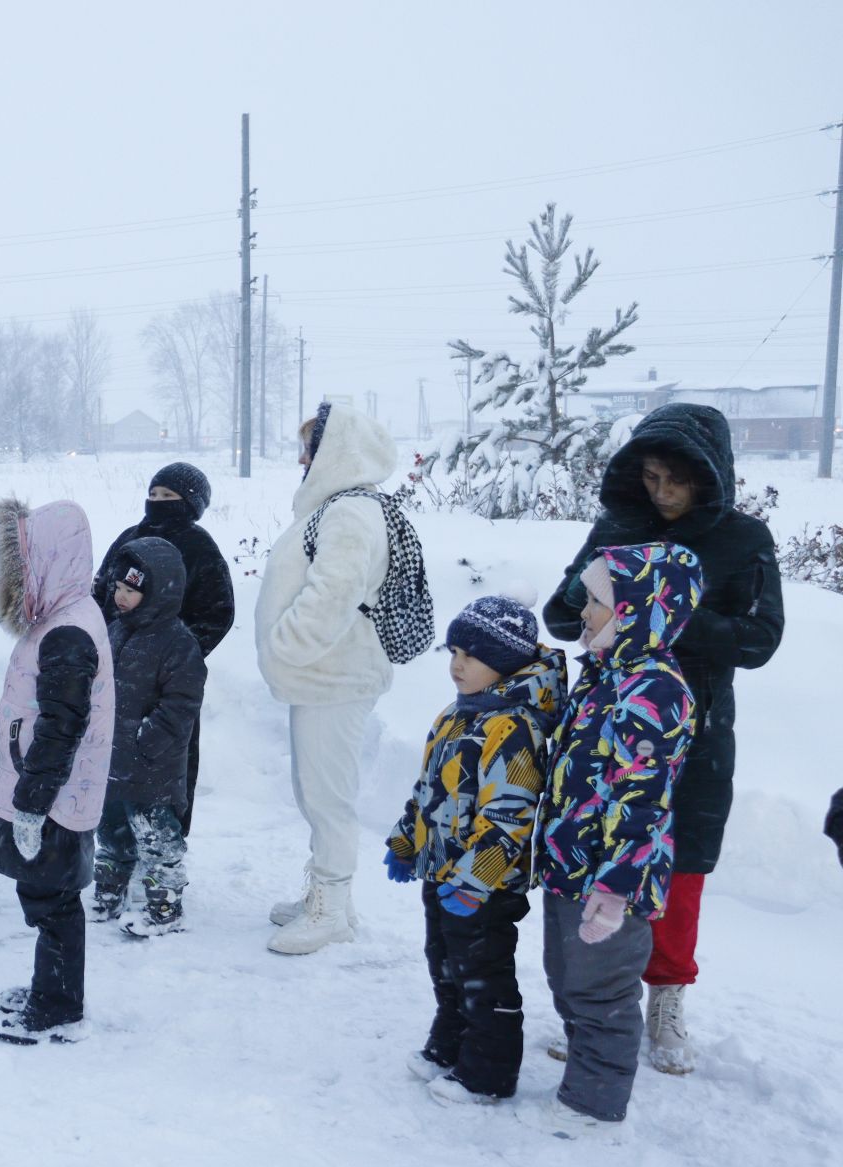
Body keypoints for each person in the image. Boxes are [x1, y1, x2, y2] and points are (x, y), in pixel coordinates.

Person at [542, 404, 784, 1076]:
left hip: (698, 725)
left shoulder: (743, 539)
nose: (662, 493)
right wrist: (584, 591)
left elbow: (761, 640)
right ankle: (598, 1001)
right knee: (600, 853)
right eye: (650, 477)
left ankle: (667, 995)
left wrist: (665, 621)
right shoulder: (617, 526)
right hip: (608, 724)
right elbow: (562, 616)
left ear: (711, 477)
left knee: (678, 865)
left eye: (676, 480)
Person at [533, 543, 702, 1137]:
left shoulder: (655, 691)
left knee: (603, 989)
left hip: (611, 878)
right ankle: (586, 1072)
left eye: (598, 603)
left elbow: (643, 804)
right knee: (567, 976)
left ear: (637, 611)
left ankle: (595, 1104)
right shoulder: (605, 675)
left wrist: (614, 886)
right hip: (570, 865)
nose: (584, 612)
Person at [387, 595, 566, 1106]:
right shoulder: (459, 713)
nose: (457, 665)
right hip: (443, 871)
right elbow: (429, 789)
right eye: (454, 652)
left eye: (472, 656)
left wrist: (473, 881)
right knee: (444, 963)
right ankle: (450, 1046)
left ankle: (489, 1073)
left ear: (505, 662)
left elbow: (509, 819)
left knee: (483, 977)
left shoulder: (513, 729)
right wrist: (405, 842)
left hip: (485, 887)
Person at [255, 403, 399, 955]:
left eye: (310, 447)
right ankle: (327, 893)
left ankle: (331, 909)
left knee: (327, 797)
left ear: (334, 451)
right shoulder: (342, 508)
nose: (301, 458)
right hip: (323, 676)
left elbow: (333, 594)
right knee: (315, 791)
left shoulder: (350, 513)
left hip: (334, 677)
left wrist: (284, 647)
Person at [0, 498, 112, 1045]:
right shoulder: (64, 616)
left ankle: (57, 1006)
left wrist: (31, 802)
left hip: (53, 794)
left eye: (25, 565)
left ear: (51, 560)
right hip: (53, 789)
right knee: (46, 896)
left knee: (52, 902)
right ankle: (48, 988)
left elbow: (62, 726)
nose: (18, 577)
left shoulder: (68, 633)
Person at [94, 462, 235, 835]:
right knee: (111, 763)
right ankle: (116, 847)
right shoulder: (129, 537)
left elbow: (219, 611)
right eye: (153, 494)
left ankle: (166, 843)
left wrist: (178, 651)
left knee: (169, 761)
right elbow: (101, 592)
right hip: (118, 671)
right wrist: (109, 641)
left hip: (167, 676)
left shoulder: (199, 546)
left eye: (168, 496)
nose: (157, 502)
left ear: (190, 503)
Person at [93, 536, 206, 937]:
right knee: (111, 834)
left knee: (157, 841)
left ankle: (165, 909)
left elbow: (181, 703)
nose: (121, 598)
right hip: (110, 760)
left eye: (131, 591)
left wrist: (146, 739)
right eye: (118, 589)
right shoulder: (115, 632)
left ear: (159, 593)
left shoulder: (178, 642)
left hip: (151, 767)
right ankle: (108, 894)